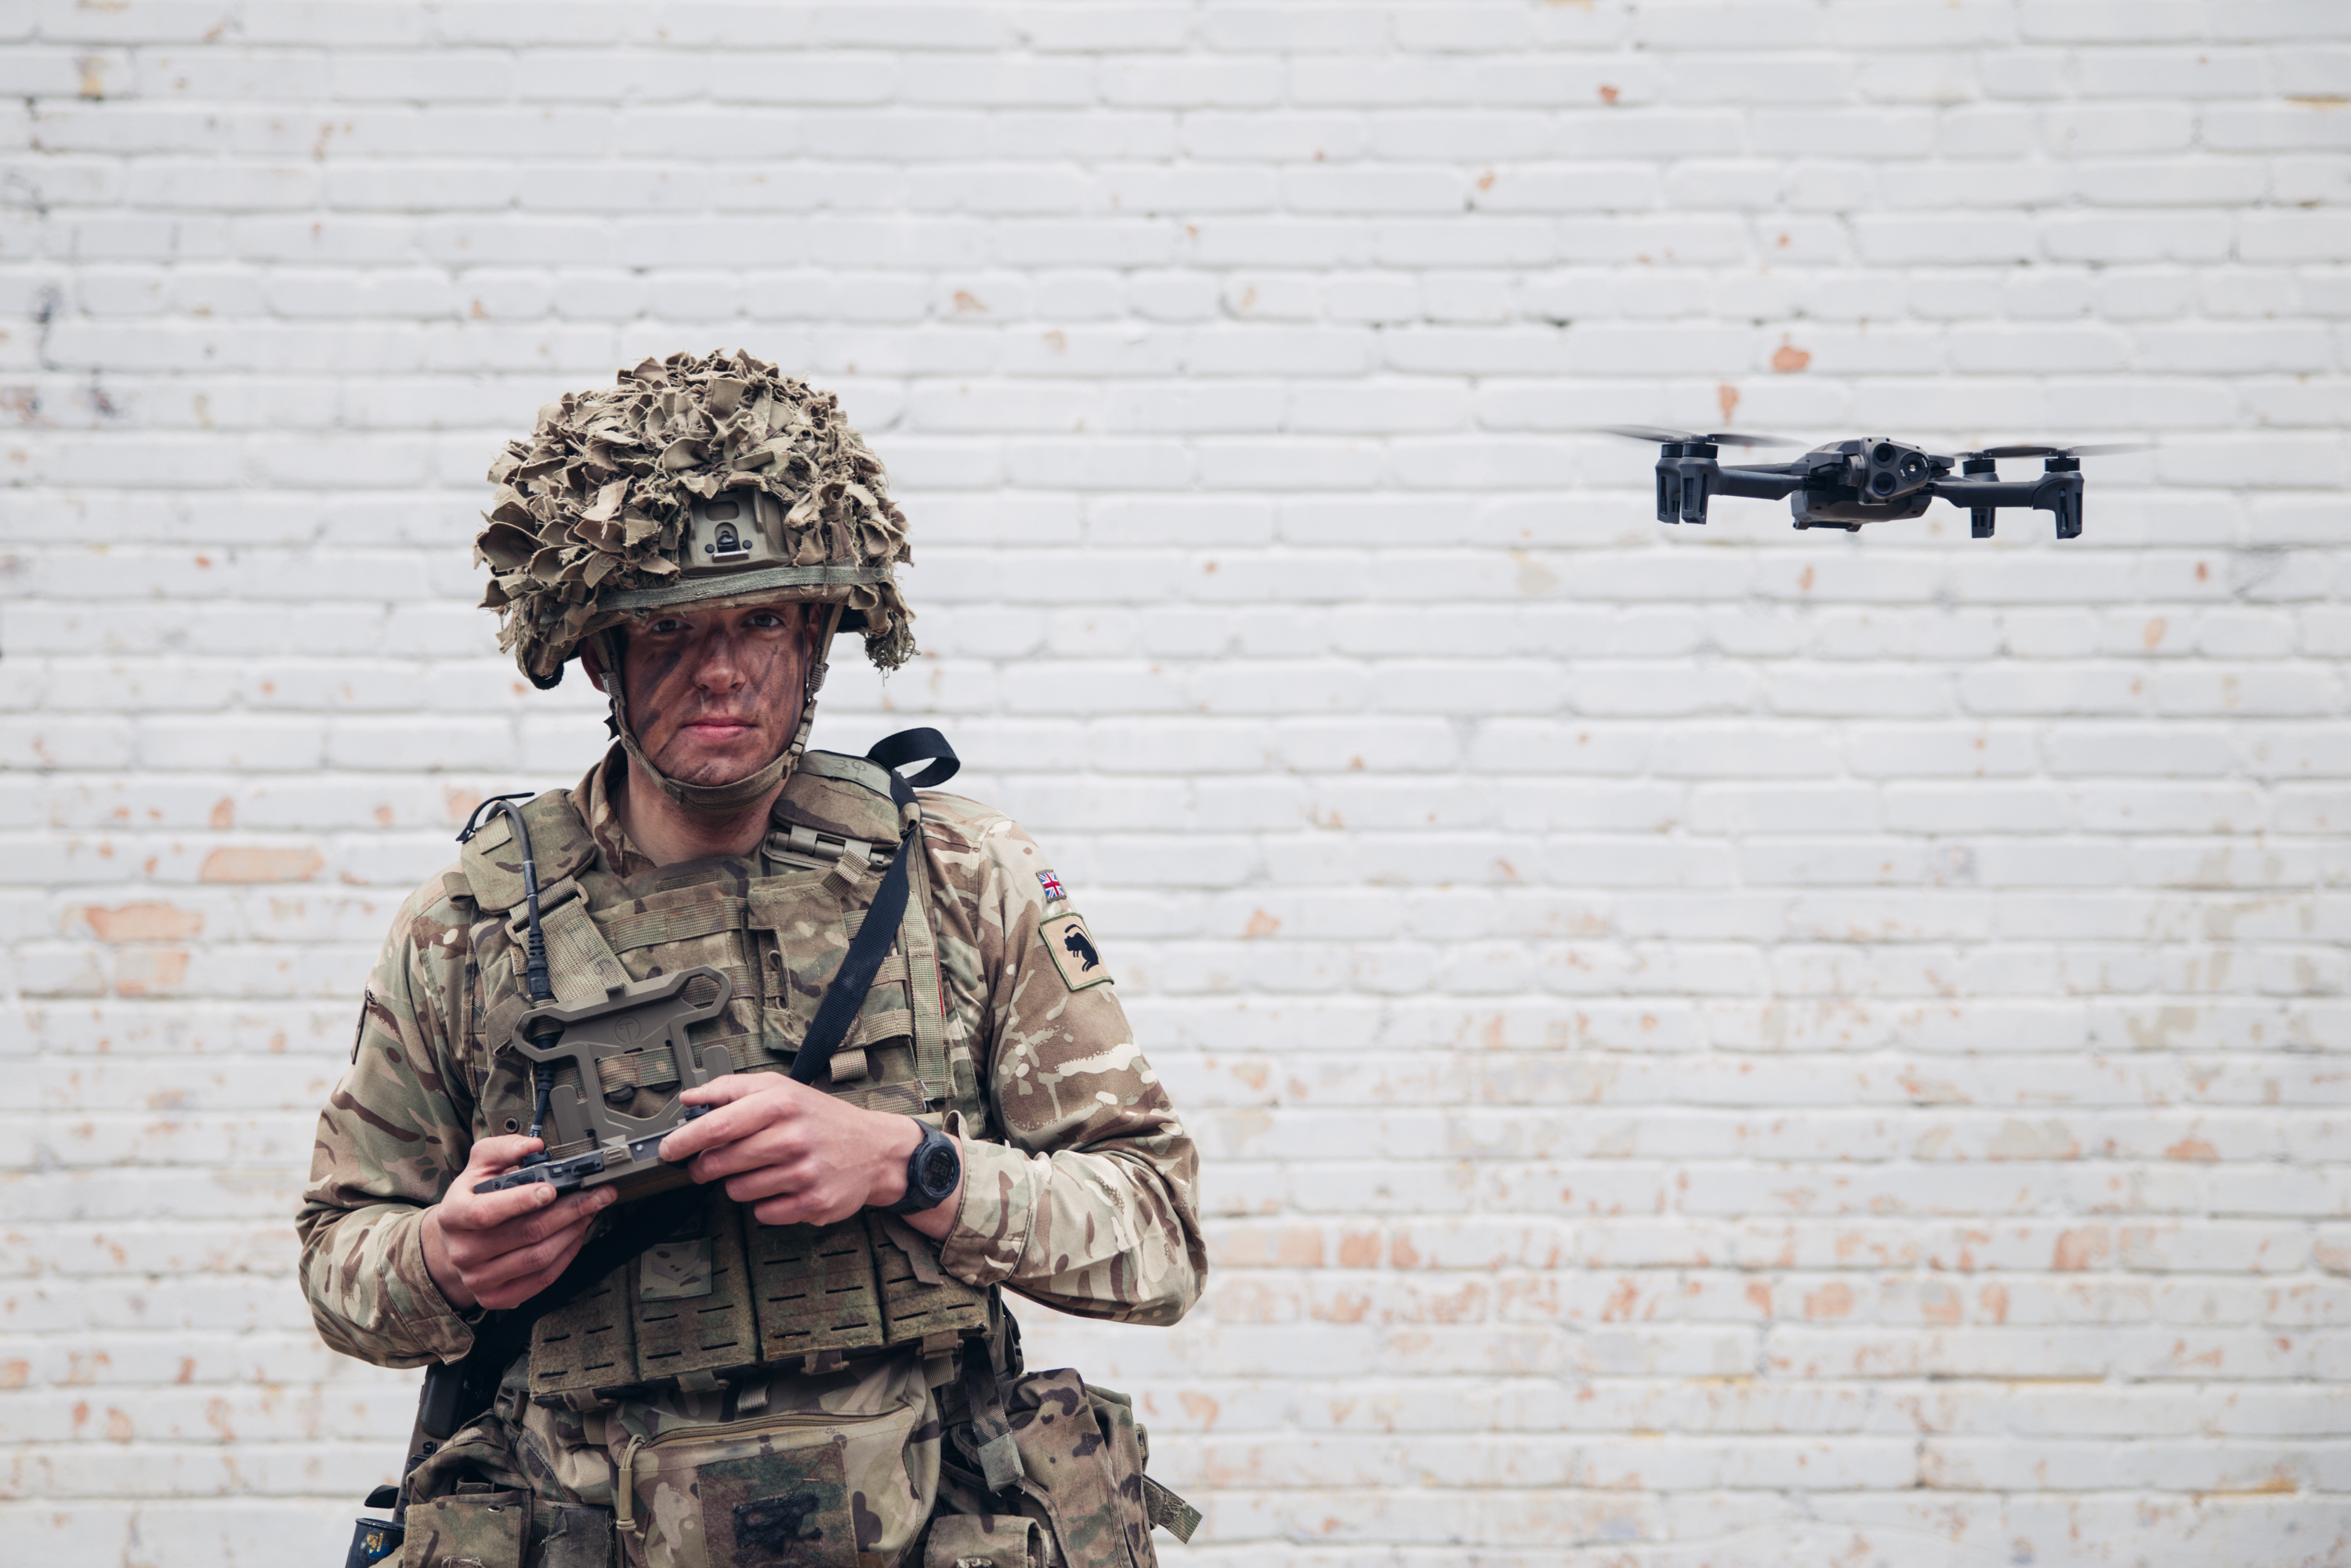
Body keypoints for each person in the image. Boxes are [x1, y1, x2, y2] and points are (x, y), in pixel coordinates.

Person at [296, 352, 1204, 1568]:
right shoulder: (467, 927)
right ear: (598, 649)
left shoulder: (960, 878)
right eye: (669, 628)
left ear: (824, 629)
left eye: (762, 619)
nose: (721, 669)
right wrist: (443, 1257)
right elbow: (340, 1256)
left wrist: (913, 1164)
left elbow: (1156, 1230)